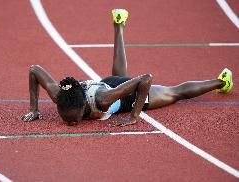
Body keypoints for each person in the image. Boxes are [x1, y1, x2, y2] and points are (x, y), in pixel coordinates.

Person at [21, 9, 233, 126]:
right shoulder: (62, 95)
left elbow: (145, 79)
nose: (69, 123)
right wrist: (34, 109)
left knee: (175, 92)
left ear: (83, 107)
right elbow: (34, 69)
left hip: (126, 96)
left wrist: (134, 115)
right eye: (66, 119)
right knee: (119, 77)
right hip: (109, 85)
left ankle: (222, 81)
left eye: (73, 120)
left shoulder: (102, 101)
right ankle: (118, 24)